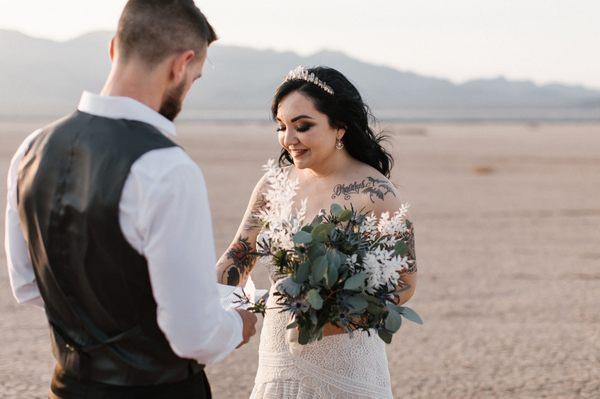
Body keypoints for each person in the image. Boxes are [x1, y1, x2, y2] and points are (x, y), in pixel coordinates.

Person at [4, 1, 257, 397]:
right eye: (194, 78)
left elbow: (27, 284)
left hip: (67, 387)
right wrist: (238, 323)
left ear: (112, 49)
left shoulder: (31, 150)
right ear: (181, 64)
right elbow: (194, 335)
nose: (188, 89)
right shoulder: (166, 167)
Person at [216, 65, 418, 398]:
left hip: (346, 362)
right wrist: (208, 310)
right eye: (281, 127)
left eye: (303, 126)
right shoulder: (274, 184)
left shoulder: (374, 193)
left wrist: (326, 325)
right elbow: (240, 254)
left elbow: (404, 284)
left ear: (339, 126)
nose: (288, 139)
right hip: (278, 357)